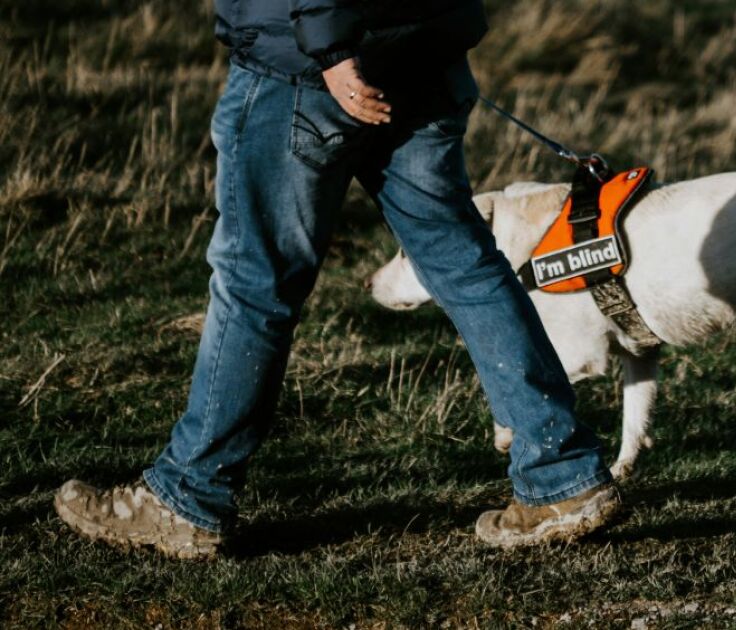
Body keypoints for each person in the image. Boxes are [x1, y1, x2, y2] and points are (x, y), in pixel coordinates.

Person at [53, 0, 620, 558]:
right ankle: (560, 475)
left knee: (256, 284)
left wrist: (333, 51)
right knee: (466, 265)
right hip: (422, 53)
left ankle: (189, 495)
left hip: (307, 68)